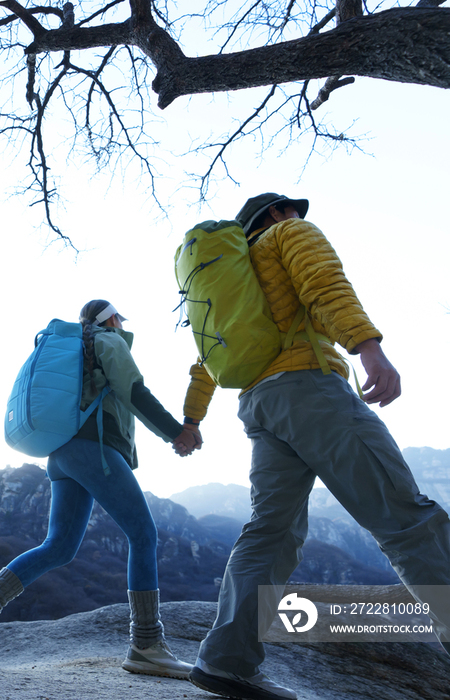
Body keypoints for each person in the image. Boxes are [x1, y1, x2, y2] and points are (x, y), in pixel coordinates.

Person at [181, 194, 450, 700]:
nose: (301, 216)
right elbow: (325, 285)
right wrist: (368, 347)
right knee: (408, 519)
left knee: (269, 534)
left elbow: (204, 360)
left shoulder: (228, 282)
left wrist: (192, 420)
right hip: (310, 391)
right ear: (278, 214)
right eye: (293, 210)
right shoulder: (290, 236)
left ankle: (224, 662)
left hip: (260, 406)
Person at [0, 299, 200, 676]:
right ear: (112, 318)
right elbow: (134, 392)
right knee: (143, 534)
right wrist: (176, 432)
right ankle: (147, 644)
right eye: (119, 319)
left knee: (59, 547)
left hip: (62, 453)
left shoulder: (75, 347)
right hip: (93, 448)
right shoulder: (108, 340)